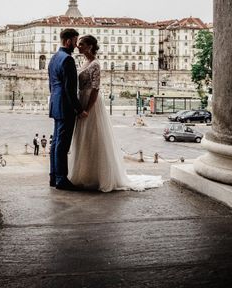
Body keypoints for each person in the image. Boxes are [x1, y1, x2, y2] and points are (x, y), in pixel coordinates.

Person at [68, 35, 163, 192]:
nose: (78, 46)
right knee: (84, 139)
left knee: (94, 138)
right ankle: (85, 174)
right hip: (82, 99)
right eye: (78, 44)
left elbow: (96, 88)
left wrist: (87, 109)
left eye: (82, 44)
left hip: (91, 103)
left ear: (90, 46)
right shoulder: (85, 62)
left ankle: (96, 176)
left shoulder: (95, 64)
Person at [48, 28, 88, 190]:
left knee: (56, 142)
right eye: (75, 41)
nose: (76, 44)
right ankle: (61, 179)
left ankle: (53, 177)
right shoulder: (68, 60)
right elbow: (70, 89)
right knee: (62, 144)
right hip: (65, 106)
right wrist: (79, 109)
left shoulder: (54, 58)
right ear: (68, 41)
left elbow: (51, 85)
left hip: (56, 103)